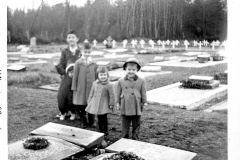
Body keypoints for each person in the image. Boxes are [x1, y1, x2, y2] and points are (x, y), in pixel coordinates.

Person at [116, 58, 147, 140]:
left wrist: (144, 101)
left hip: (136, 104)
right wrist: (117, 103)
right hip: (125, 104)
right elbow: (118, 93)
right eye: (129, 69)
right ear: (125, 69)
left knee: (136, 123)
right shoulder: (121, 81)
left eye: (133, 69)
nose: (131, 71)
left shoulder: (141, 81)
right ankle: (124, 137)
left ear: (137, 70)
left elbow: (143, 92)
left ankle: (135, 138)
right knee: (125, 123)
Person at [55, 29, 81, 120]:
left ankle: (76, 112)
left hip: (78, 77)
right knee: (62, 95)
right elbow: (62, 64)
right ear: (67, 39)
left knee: (76, 95)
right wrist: (61, 71)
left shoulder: (80, 51)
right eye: (69, 37)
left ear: (77, 39)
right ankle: (63, 111)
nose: (71, 39)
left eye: (73, 37)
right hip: (67, 77)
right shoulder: (64, 51)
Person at [72, 43, 98, 127]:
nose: (87, 54)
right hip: (81, 87)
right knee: (81, 105)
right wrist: (74, 87)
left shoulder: (94, 63)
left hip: (91, 87)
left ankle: (92, 120)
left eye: (88, 52)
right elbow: (75, 76)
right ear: (81, 52)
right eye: (85, 52)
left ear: (91, 52)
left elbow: (97, 76)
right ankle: (83, 121)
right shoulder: (78, 63)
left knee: (91, 104)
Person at [85, 66, 115, 136]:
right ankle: (100, 130)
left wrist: (111, 104)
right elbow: (91, 93)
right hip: (96, 103)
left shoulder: (109, 85)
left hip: (104, 104)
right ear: (98, 75)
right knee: (99, 117)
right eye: (101, 75)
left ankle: (105, 130)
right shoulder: (95, 83)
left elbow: (112, 95)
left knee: (103, 118)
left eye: (104, 75)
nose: (103, 77)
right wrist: (89, 101)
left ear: (107, 75)